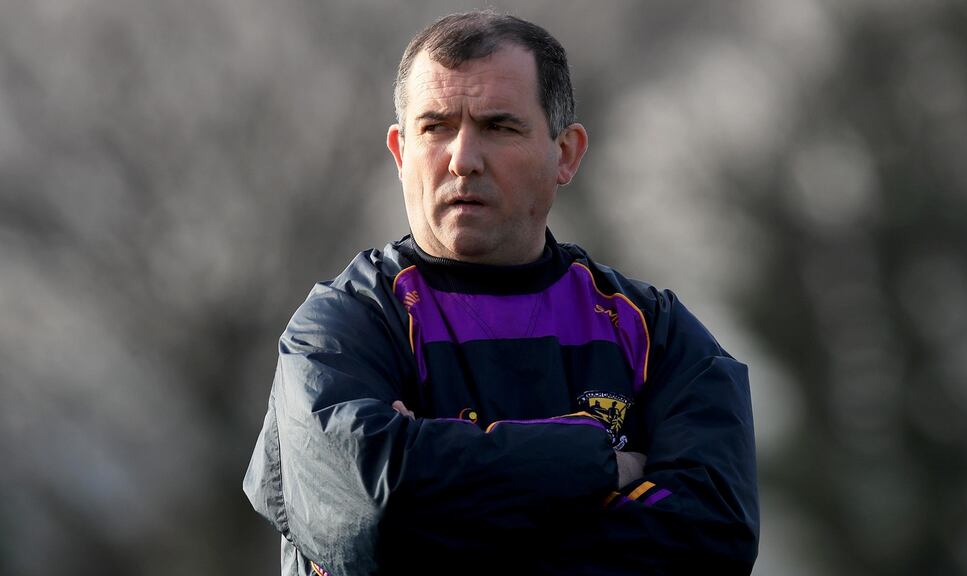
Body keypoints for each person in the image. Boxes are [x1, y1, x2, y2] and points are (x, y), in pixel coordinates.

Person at [244, 11, 758, 576]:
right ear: (400, 151)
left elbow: (709, 542)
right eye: (435, 127)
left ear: (566, 153)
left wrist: (438, 486)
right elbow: (376, 514)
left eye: (499, 126)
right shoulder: (340, 330)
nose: (463, 159)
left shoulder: (656, 334)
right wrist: (599, 467)